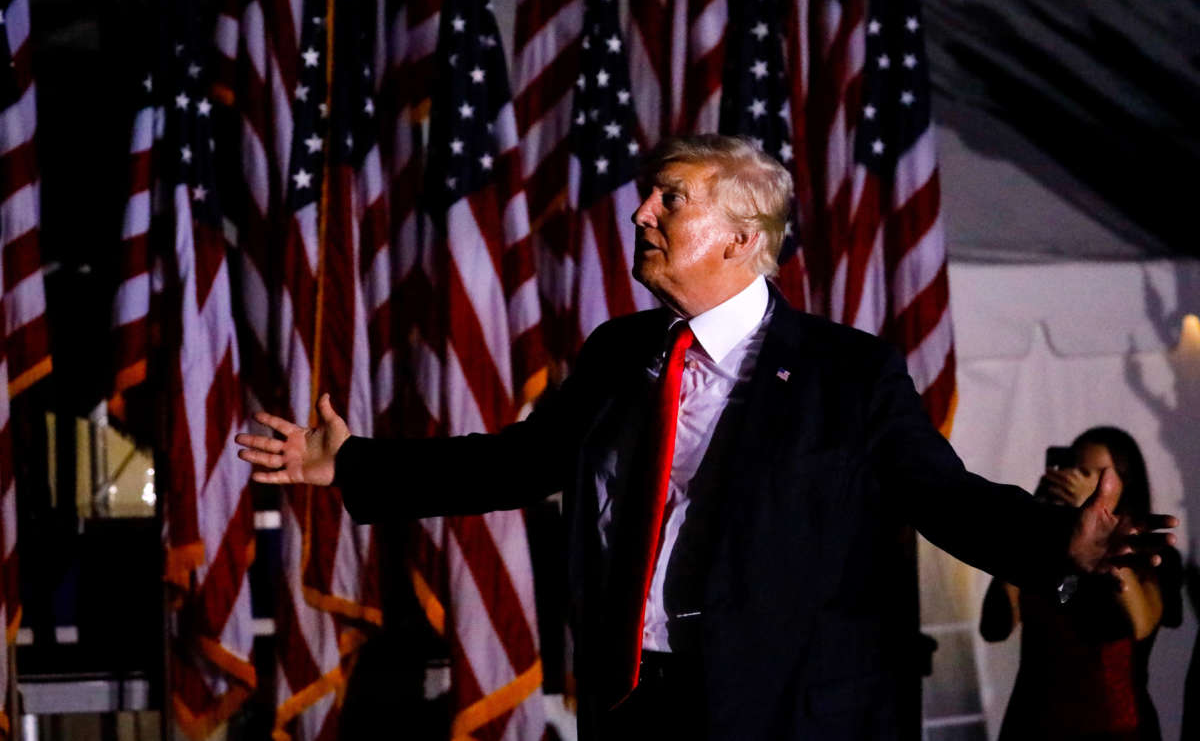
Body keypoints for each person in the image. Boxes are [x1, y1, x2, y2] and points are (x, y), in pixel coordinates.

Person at [236, 135, 1176, 741]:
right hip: (640, 704)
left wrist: (1057, 543)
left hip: (785, 715)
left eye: (669, 199)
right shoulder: (620, 354)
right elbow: (518, 460)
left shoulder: (849, 374)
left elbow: (944, 496)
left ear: (739, 238)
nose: (640, 213)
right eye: (649, 199)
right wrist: (349, 464)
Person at [981, 427, 1183, 741]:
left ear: (1122, 483)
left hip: (1114, 727)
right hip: (1033, 724)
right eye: (1070, 468)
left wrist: (1110, 544)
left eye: (1088, 473)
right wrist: (1031, 524)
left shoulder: (1152, 553)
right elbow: (994, 626)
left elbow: (1141, 625)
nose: (1073, 479)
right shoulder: (1047, 547)